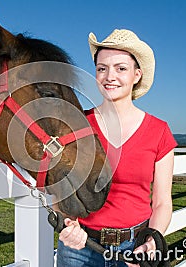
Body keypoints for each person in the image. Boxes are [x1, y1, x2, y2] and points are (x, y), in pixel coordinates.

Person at [56, 29, 177, 267]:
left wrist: (152, 239)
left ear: (137, 75)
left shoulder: (159, 132)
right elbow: (57, 190)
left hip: (134, 248)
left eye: (121, 68)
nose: (109, 76)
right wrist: (69, 224)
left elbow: (162, 201)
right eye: (102, 68)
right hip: (81, 247)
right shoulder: (76, 125)